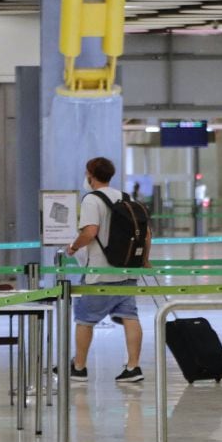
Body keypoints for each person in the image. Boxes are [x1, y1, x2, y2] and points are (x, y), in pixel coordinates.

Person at [63, 156, 152, 383]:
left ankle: (79, 367)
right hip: (127, 270)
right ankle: (133, 367)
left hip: (100, 272)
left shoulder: (92, 200)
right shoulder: (125, 197)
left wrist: (73, 247)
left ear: (91, 174)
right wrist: (143, 261)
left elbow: (91, 231)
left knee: (85, 319)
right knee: (130, 316)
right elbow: (146, 233)